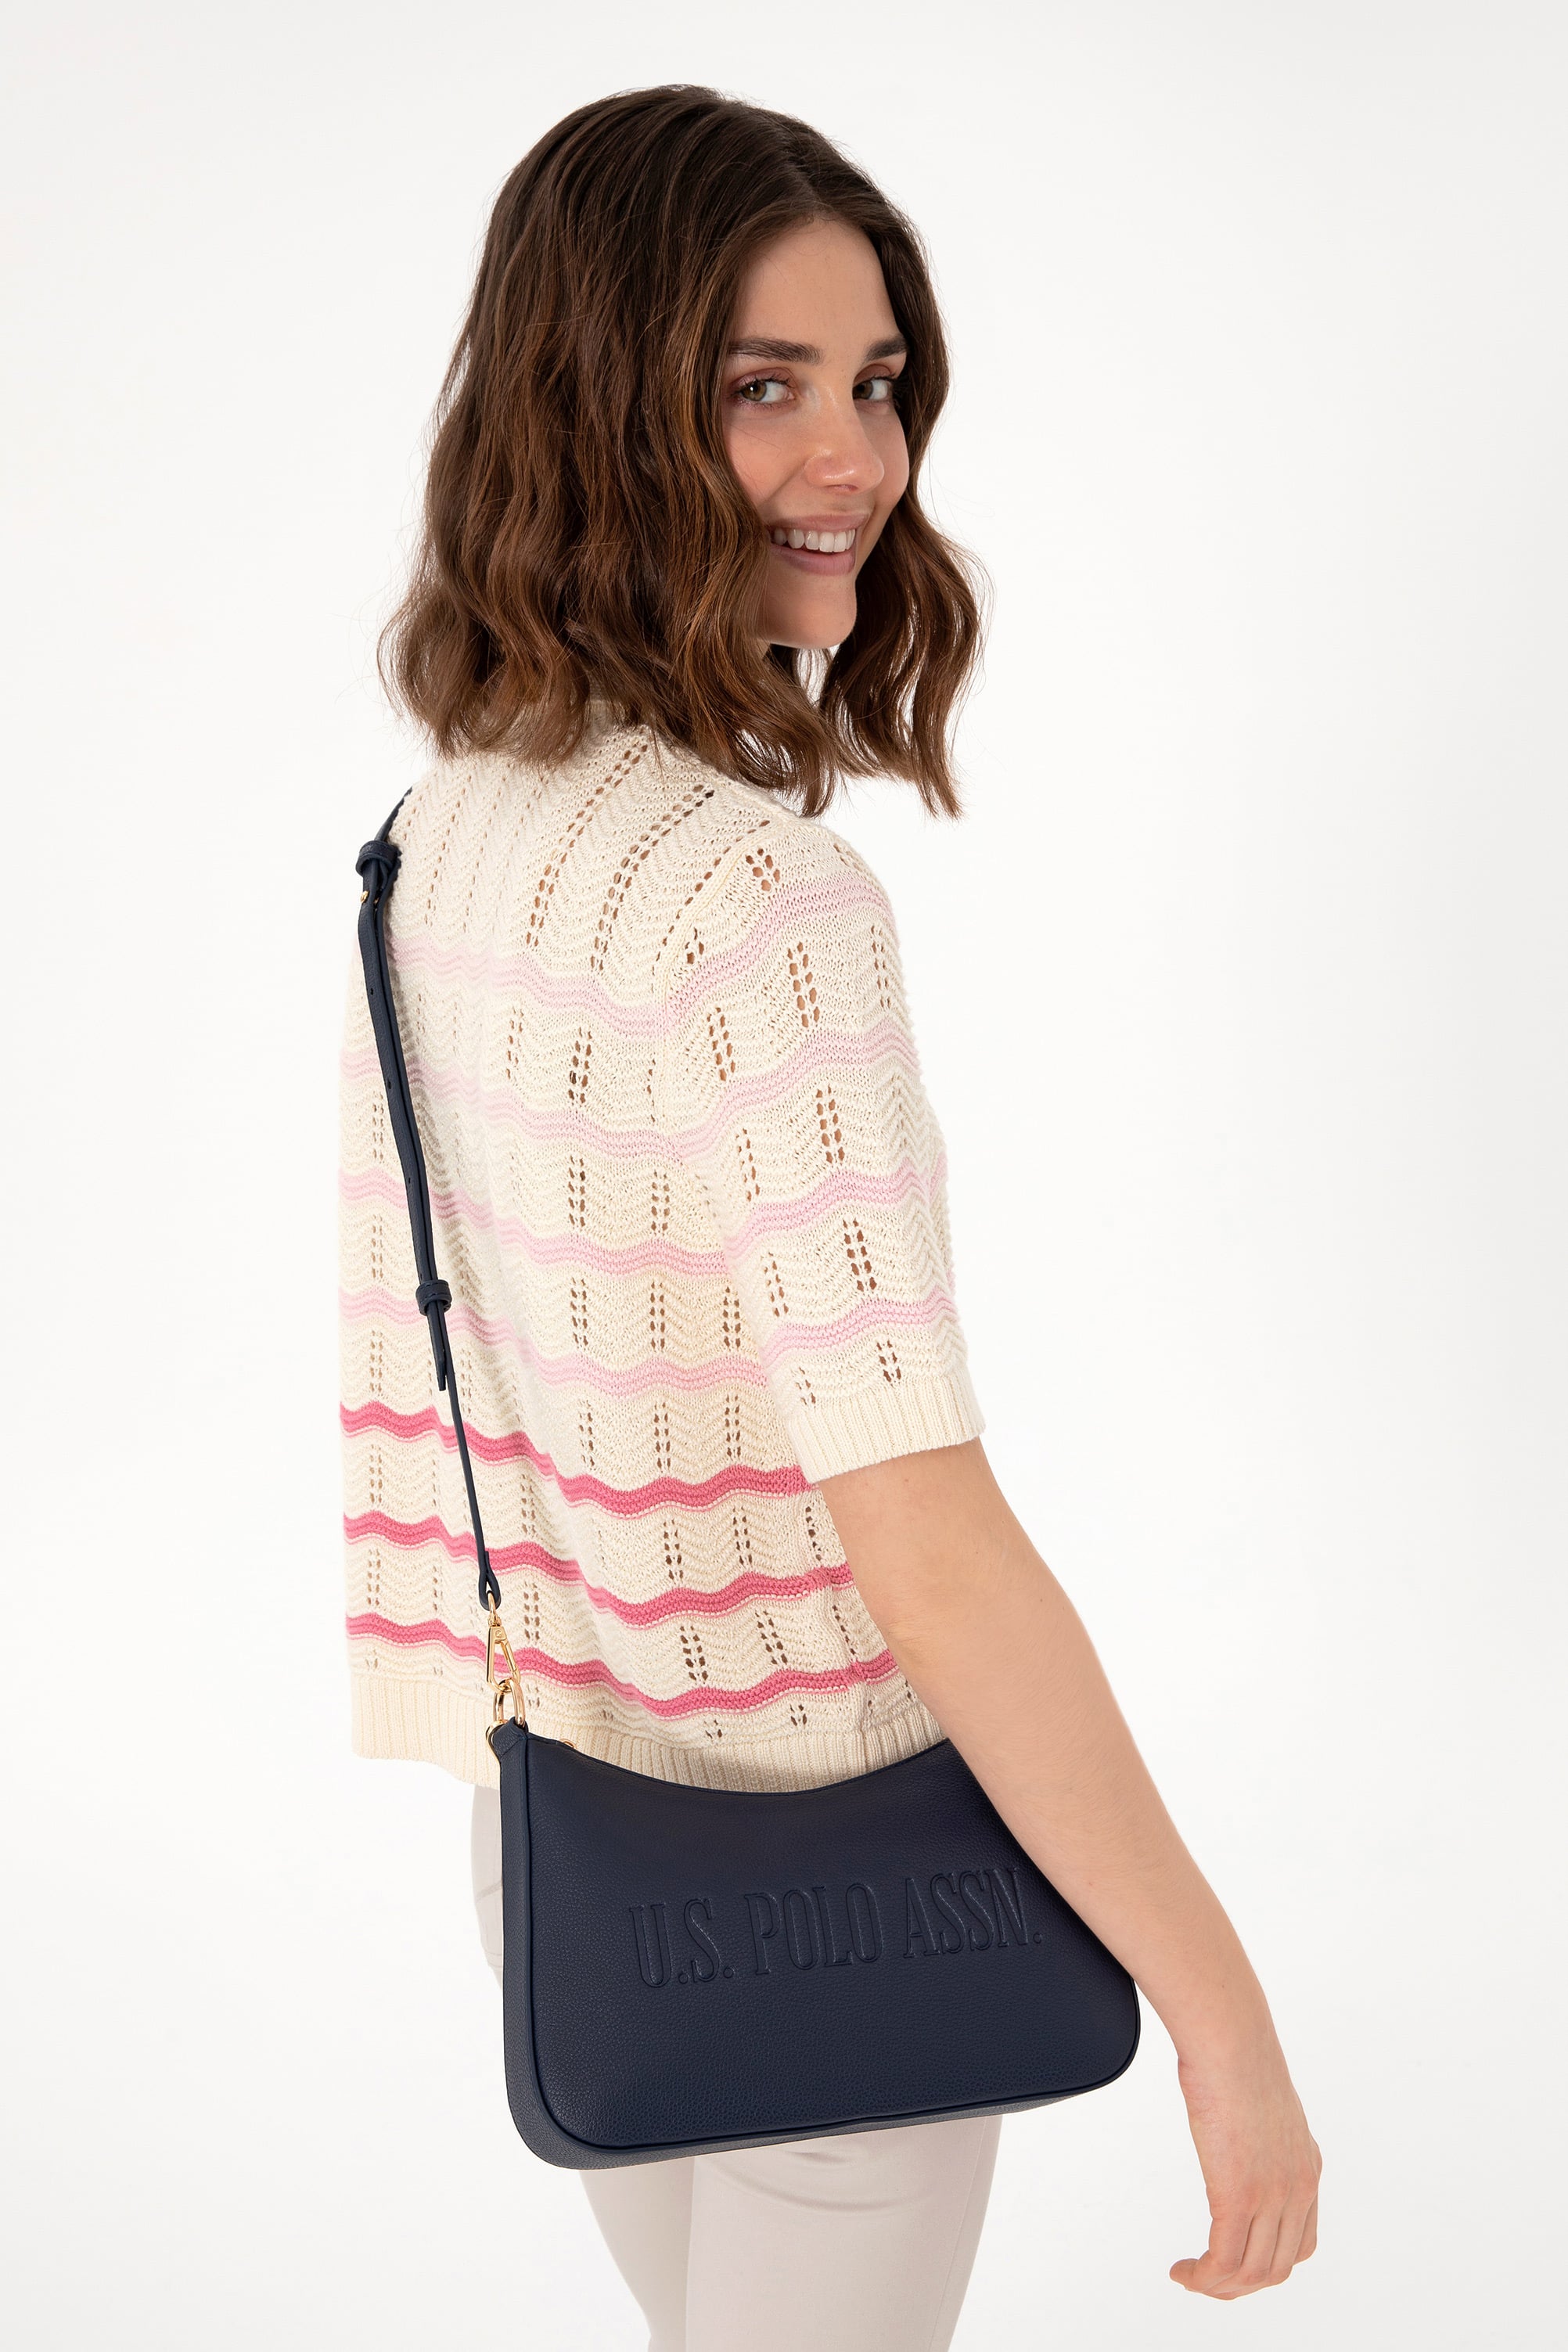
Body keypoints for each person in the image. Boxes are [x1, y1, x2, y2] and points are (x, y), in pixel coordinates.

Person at [338, 85, 1320, 2352]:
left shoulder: (440, 832)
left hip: (568, 1853)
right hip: (826, 1891)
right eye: (758, 386)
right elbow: (921, 1533)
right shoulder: (758, 903)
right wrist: (1222, 2011)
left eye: (874, 384)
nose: (852, 458)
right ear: (594, 406)